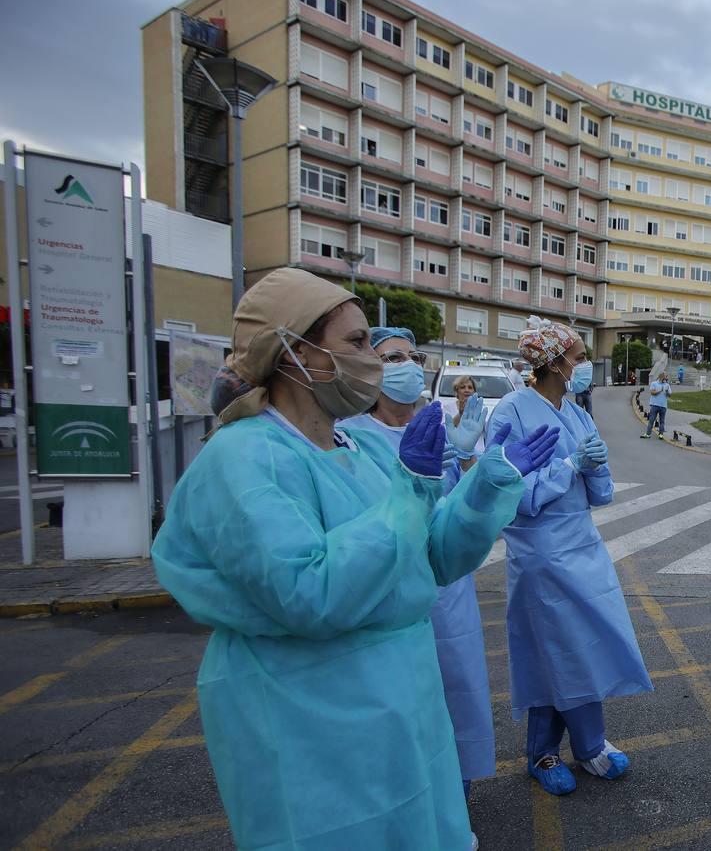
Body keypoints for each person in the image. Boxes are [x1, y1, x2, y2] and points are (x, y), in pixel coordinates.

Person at [151, 270, 560, 850]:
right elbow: (310, 594)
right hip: (313, 719)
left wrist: (489, 484)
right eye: (357, 342)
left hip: (402, 709)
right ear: (295, 352)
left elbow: (429, 560)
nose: (375, 359)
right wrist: (406, 493)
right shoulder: (246, 460)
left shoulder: (357, 445)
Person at [488, 317, 651, 796]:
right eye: (578, 358)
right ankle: (543, 752)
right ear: (554, 363)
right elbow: (506, 493)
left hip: (582, 546)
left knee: (585, 650)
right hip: (539, 552)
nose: (583, 366)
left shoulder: (578, 412)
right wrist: (568, 467)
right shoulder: (511, 413)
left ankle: (588, 745)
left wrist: (596, 468)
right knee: (551, 654)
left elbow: (598, 493)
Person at [340, 328, 493, 812]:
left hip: (449, 591)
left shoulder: (437, 427)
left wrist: (469, 459)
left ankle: (457, 804)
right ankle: (412, 810)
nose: (406, 364)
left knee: (459, 695)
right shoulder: (350, 438)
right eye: (391, 357)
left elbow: (467, 516)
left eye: (412, 355)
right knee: (403, 708)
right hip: (393, 591)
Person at [643, 371, 671, 438]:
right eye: (665, 377)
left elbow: (670, 395)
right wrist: (660, 391)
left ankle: (661, 434)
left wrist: (667, 392)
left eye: (666, 377)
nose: (666, 379)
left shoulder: (667, 385)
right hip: (655, 405)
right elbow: (652, 393)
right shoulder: (654, 383)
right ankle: (648, 434)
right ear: (660, 377)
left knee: (662, 421)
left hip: (663, 406)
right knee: (651, 420)